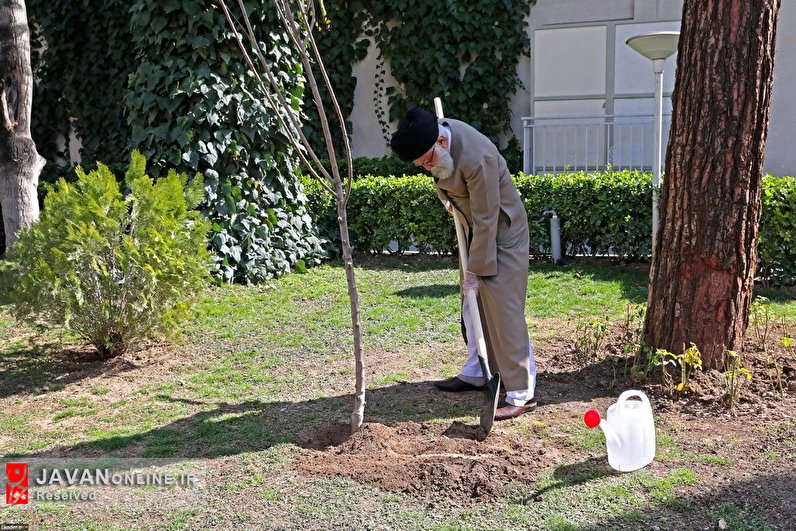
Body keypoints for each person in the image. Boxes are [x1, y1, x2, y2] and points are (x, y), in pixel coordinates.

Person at [390, 107, 538, 420]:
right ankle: (475, 369)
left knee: (503, 307)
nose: (427, 168)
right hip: (475, 229)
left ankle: (521, 392)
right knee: (471, 301)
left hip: (502, 232)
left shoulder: (477, 157)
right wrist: (447, 199)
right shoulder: (437, 139)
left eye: (427, 161)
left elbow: (488, 217)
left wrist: (475, 269)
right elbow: (446, 178)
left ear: (441, 143)